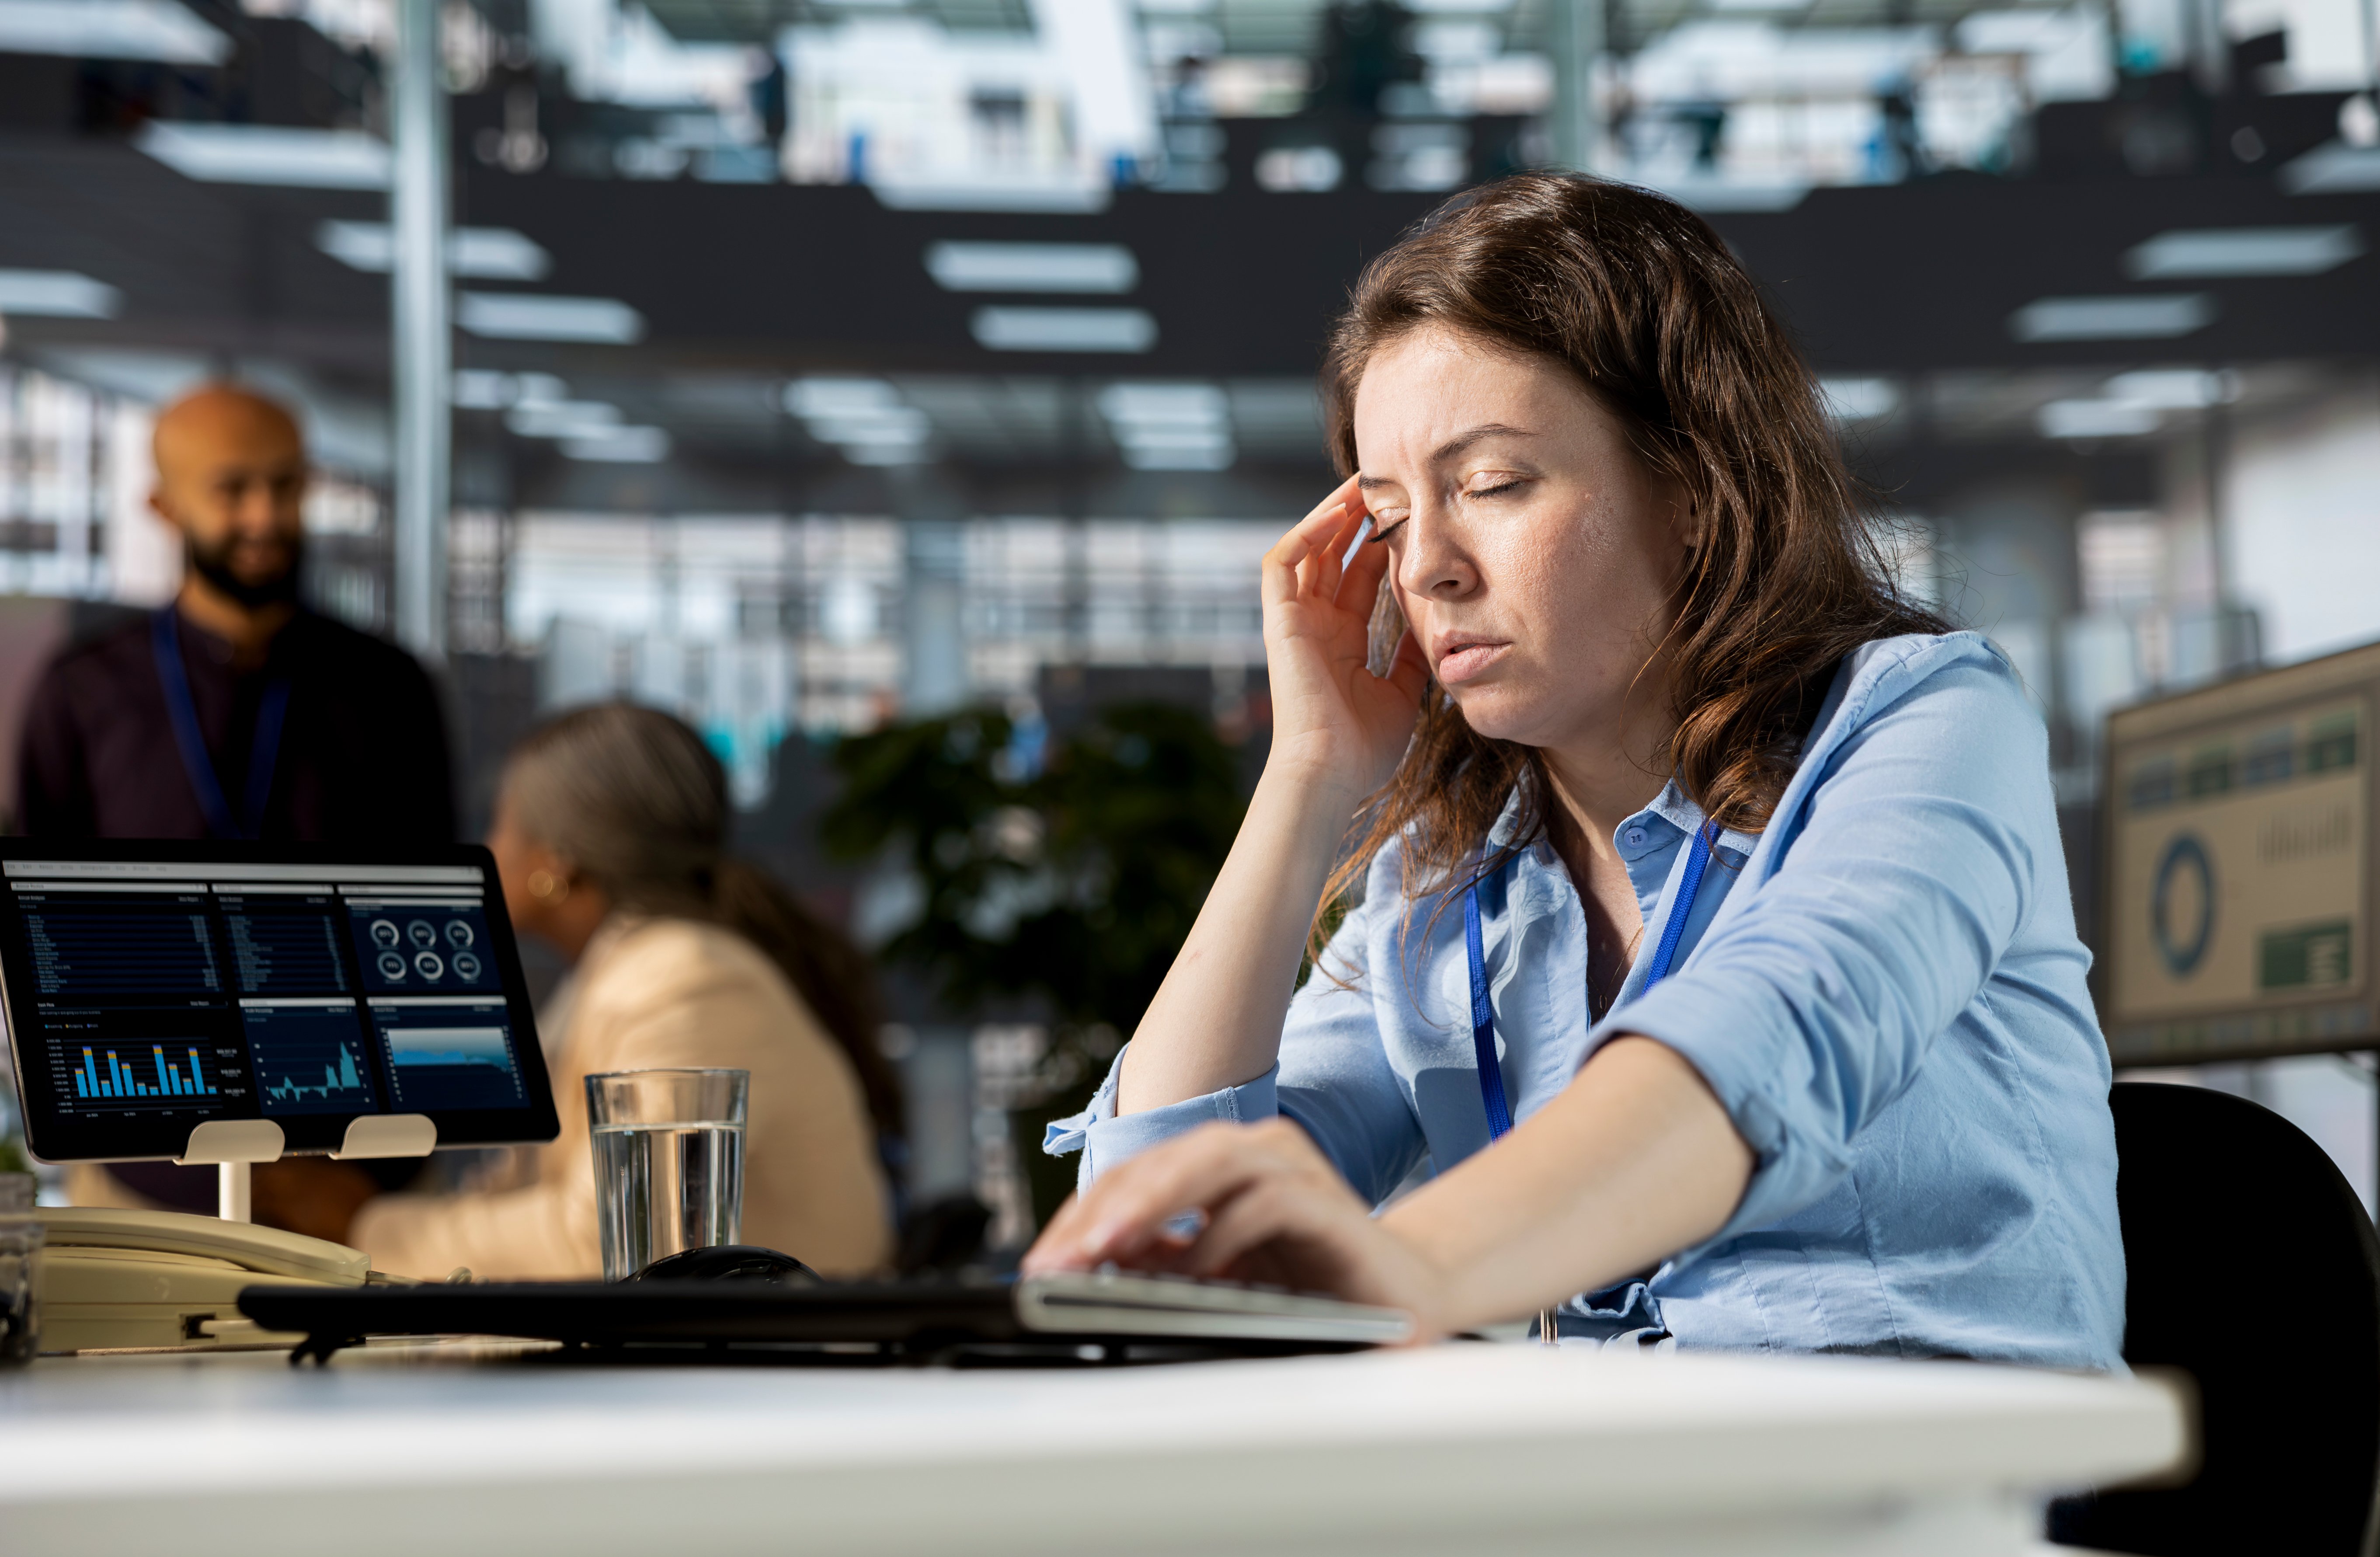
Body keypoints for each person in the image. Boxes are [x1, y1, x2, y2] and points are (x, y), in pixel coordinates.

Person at [1026, 174, 2125, 1369]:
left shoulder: (1922, 729)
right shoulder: (1449, 881)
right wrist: (1305, 778)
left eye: (1491, 485)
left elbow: (1769, 1039)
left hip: (1919, 1510)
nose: (1427, 569)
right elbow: (1153, 1242)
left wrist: (1422, 1259)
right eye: (1390, 521)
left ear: (1696, 493)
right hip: (1592, 1500)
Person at [252, 703, 900, 1279]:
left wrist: (366, 1225)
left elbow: (616, 1246)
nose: (491, 846)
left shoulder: (687, 982)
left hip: (786, 1383)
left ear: (556, 863)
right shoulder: (627, 972)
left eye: (504, 822)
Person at [24, 382, 454, 1215]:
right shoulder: (84, 691)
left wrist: (342, 1176)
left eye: (286, 486)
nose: (265, 516)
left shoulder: (389, 688)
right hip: (141, 1157)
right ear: (162, 501)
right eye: (232, 489)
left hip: (361, 1164)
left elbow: (429, 927)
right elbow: (47, 948)